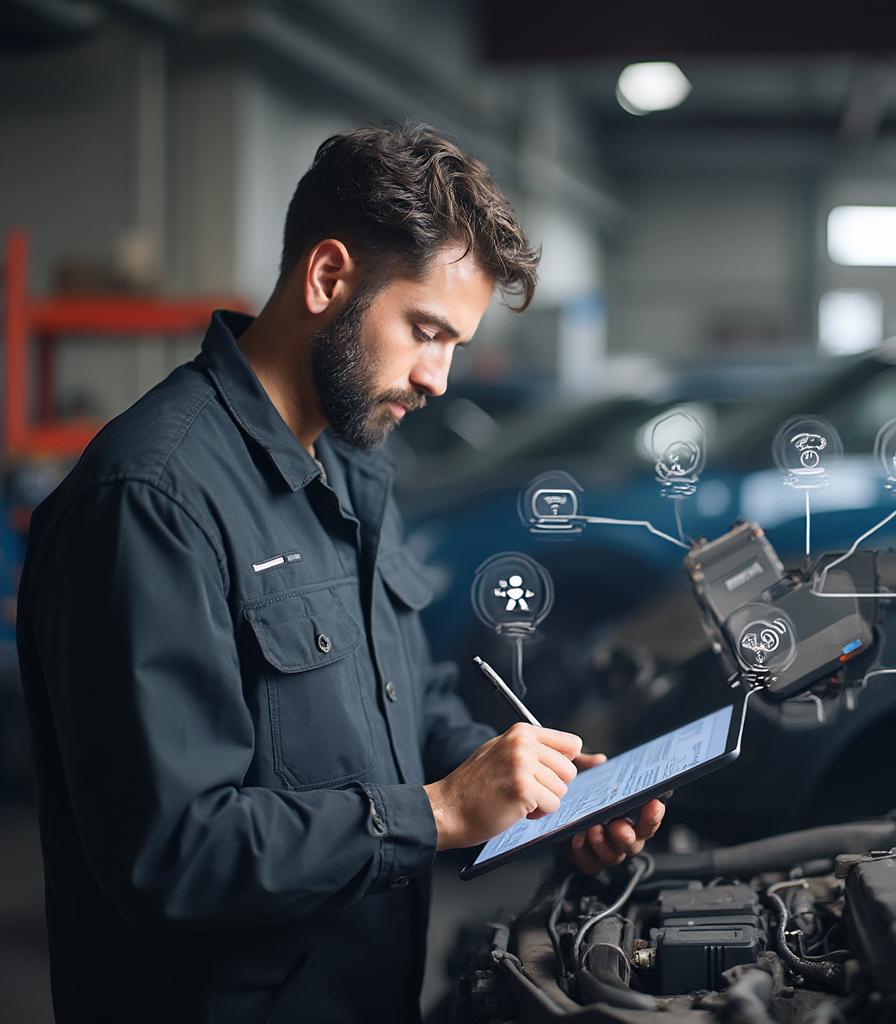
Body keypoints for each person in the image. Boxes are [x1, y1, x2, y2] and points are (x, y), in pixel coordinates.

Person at [17, 122, 664, 1024]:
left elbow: (404, 698)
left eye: (455, 345)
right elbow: (172, 853)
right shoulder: (150, 501)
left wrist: (535, 795)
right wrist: (436, 812)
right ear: (327, 278)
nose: (439, 378)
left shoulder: (353, 463)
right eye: (425, 331)